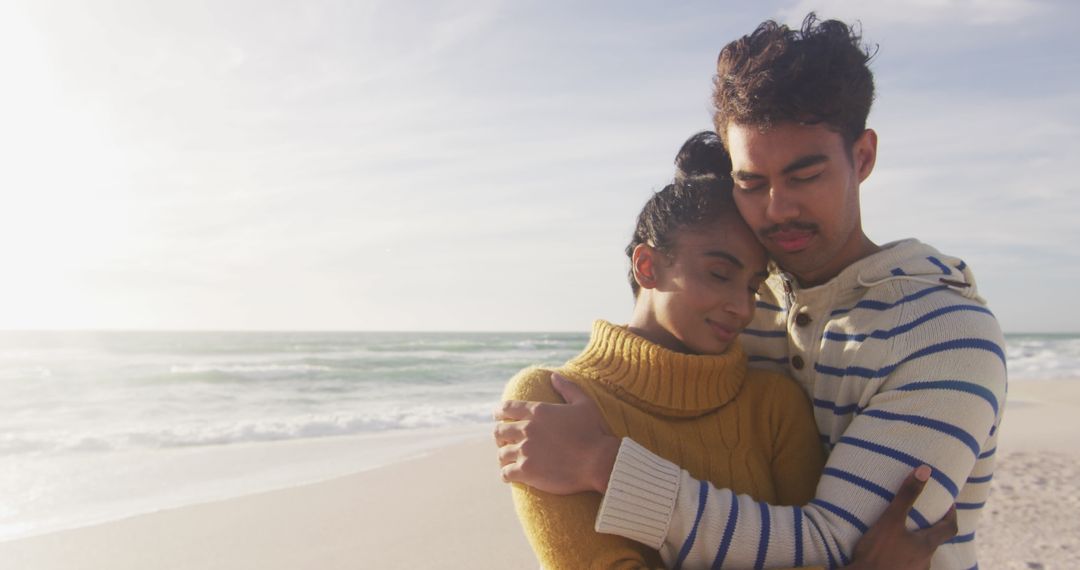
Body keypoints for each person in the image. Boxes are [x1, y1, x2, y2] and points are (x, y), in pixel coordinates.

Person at [496, 14, 1006, 570]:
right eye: (751, 182)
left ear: (862, 158)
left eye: (804, 176)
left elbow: (827, 549)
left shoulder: (947, 335)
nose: (776, 208)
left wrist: (605, 466)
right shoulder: (748, 310)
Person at [500, 173, 827, 568]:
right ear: (647, 266)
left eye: (753, 287)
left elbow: (816, 555)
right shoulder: (551, 397)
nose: (743, 308)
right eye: (720, 275)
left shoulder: (775, 405)